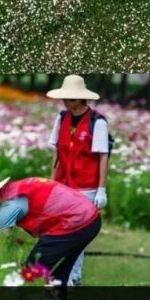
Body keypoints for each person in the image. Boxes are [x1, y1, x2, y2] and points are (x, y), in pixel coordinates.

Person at [0, 176, 101, 297]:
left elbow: (0, 248)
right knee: (58, 274)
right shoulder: (13, 189)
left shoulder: (7, 209)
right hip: (90, 218)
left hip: (75, 221)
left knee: (32, 272)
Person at [46, 75, 109, 286]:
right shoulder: (61, 118)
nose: (66, 103)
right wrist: (51, 183)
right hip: (63, 185)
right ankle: (62, 275)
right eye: (65, 99)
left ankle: (73, 277)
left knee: (78, 235)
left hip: (86, 188)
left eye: (71, 99)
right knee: (61, 231)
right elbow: (56, 152)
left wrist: (101, 189)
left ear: (81, 100)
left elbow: (103, 156)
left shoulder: (97, 123)